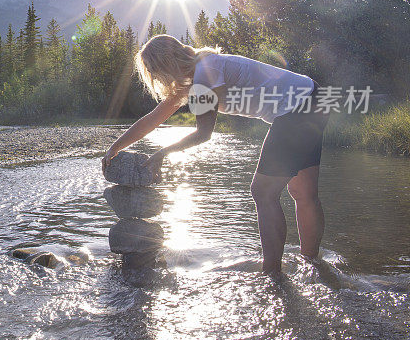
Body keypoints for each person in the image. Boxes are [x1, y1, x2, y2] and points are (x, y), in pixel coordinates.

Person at [102, 34, 329, 273]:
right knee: (303, 192)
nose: (157, 79)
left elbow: (203, 134)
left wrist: (162, 153)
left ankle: (272, 274)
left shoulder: (204, 75)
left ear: (166, 66)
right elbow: (153, 119)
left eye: (155, 72)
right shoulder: (203, 69)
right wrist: (115, 147)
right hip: (315, 97)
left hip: (298, 109)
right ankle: (312, 265)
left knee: (263, 191)